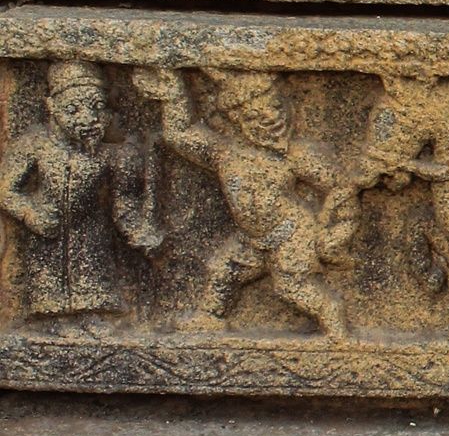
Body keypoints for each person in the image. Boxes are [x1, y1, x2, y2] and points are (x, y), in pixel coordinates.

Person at [132, 67, 355, 339]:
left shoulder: (295, 156)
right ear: (237, 122)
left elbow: (340, 187)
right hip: (251, 237)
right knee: (223, 270)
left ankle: (335, 325)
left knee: (292, 285)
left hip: (291, 233)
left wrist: (336, 231)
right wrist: (175, 97)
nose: (271, 119)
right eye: (254, 116)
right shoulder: (225, 154)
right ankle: (209, 318)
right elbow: (181, 135)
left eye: (275, 108)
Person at [0, 61, 160, 331]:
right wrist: (30, 214)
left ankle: (90, 318)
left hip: (91, 234)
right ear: (51, 107)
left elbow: (124, 205)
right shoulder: (35, 146)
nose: (87, 119)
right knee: (48, 286)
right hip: (47, 235)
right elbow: (5, 188)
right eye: (72, 110)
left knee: (93, 279)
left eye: (97, 109)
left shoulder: (109, 155)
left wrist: (139, 232)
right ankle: (53, 323)